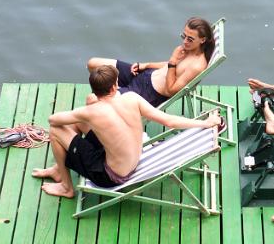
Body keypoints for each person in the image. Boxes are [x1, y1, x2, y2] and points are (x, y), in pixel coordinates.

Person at [32, 65, 222, 199]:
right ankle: (59, 168)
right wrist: (205, 123)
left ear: (95, 90)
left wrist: (82, 111)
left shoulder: (91, 112)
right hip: (132, 161)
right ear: (115, 86)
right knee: (80, 122)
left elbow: (53, 120)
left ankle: (66, 187)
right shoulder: (132, 98)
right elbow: (169, 121)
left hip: (109, 176)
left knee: (56, 131)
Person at [87, 16, 215, 107]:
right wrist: (146, 65)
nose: (185, 41)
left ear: (202, 40)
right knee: (93, 64)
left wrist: (173, 61)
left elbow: (170, 90)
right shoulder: (189, 49)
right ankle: (113, 94)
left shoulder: (196, 66)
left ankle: (109, 102)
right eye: (184, 36)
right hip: (144, 75)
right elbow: (169, 67)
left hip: (144, 94)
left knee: (92, 100)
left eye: (190, 39)